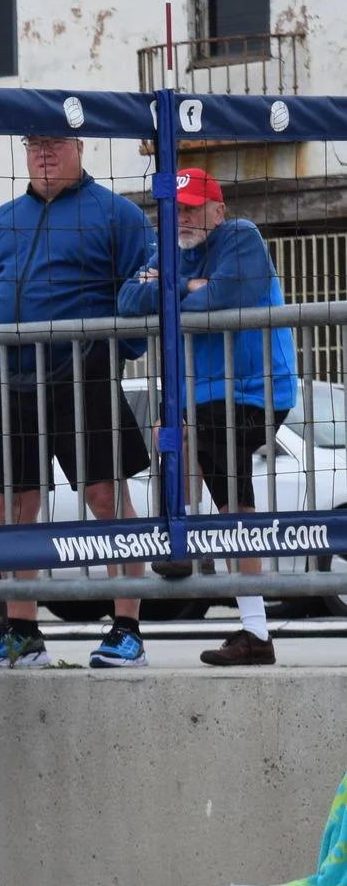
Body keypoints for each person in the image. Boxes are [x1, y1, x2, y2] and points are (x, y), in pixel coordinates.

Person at [0, 133, 156, 670]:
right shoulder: (2, 220)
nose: (44, 153)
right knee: (12, 505)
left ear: (80, 146)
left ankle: (127, 629)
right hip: (4, 376)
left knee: (105, 497)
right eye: (33, 145)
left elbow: (146, 282)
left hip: (80, 371)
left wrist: (118, 350)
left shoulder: (117, 215)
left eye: (55, 143)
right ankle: (22, 633)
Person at [117, 169, 296, 667]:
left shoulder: (240, 235)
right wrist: (185, 283)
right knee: (179, 446)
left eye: (194, 207)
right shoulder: (168, 249)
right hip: (203, 397)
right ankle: (187, 544)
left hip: (254, 390)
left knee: (230, 495)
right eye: (176, 209)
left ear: (218, 209)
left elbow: (221, 298)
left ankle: (254, 630)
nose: (185, 217)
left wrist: (171, 288)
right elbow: (127, 300)